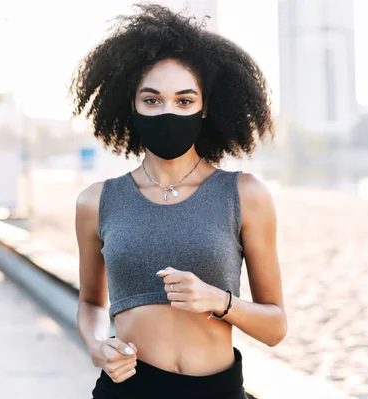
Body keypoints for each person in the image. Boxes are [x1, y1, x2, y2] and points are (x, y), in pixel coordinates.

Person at [70, 4, 286, 399]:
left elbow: (275, 327)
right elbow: (90, 302)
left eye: (184, 101)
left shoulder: (245, 195)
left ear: (206, 108)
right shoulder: (96, 201)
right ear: (129, 106)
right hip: (126, 391)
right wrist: (98, 346)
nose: (168, 111)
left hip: (217, 391)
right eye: (151, 100)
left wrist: (220, 301)